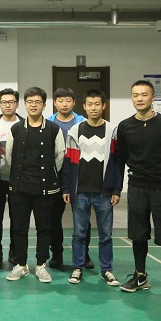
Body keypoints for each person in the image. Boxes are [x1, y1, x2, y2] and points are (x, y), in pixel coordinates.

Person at [116, 80, 161, 300]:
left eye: (144, 94)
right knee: (138, 234)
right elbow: (123, 156)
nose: (140, 98)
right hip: (137, 187)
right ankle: (140, 276)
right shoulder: (125, 126)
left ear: (153, 97)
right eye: (135, 95)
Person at [61, 89, 122, 287]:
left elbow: (117, 162)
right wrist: (66, 188)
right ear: (84, 107)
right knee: (79, 233)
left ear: (103, 106)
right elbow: (68, 162)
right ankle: (77, 267)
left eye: (97, 104)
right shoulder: (75, 131)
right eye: (90, 104)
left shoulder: (112, 131)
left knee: (106, 235)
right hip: (80, 192)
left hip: (104, 193)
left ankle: (107, 270)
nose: (93, 108)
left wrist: (116, 189)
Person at [5, 87, 65, 284]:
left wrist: (48, 174)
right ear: (24, 105)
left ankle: (40, 265)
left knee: (44, 228)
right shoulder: (16, 129)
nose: (33, 105)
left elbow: (59, 156)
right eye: (30, 102)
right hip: (20, 188)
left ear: (44, 105)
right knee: (19, 228)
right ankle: (21, 265)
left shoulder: (53, 129)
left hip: (45, 189)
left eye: (37, 102)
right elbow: (10, 156)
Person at [47, 87, 91, 270]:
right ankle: (56, 254)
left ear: (74, 103)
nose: (64, 104)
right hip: (55, 175)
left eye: (68, 100)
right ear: (55, 103)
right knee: (53, 219)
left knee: (82, 217)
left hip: (78, 175)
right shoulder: (48, 123)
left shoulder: (83, 123)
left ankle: (84, 255)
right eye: (60, 100)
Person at [0, 88, 23, 267]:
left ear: (17, 104)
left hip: (18, 179)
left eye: (11, 102)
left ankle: (14, 251)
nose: (7, 105)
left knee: (17, 218)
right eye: (4, 102)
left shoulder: (24, 123)